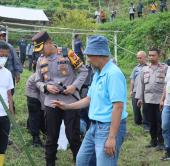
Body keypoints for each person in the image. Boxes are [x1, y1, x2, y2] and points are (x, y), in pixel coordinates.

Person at [53, 35, 128, 166]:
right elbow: (89, 99)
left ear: (99, 54)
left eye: (89, 56)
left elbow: (118, 107)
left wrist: (111, 138)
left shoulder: (113, 74)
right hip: (93, 126)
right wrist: (67, 106)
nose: (87, 59)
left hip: (107, 128)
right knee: (82, 161)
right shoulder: (98, 73)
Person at [33, 31, 88, 166]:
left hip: (69, 101)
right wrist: (46, 87)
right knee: (51, 138)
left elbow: (84, 71)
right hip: (51, 103)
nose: (41, 52)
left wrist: (74, 87)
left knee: (73, 136)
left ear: (49, 43)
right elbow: (37, 81)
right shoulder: (41, 60)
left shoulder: (67, 53)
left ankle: (79, 162)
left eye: (42, 48)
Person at [136, 48, 168, 150]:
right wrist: (140, 98)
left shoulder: (165, 68)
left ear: (158, 56)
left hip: (160, 101)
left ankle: (161, 142)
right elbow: (141, 85)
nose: (151, 57)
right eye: (149, 55)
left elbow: (167, 84)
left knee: (160, 122)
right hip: (148, 100)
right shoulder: (144, 69)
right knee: (151, 122)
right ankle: (153, 141)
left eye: (153, 55)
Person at [130, 51, 148, 127]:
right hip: (135, 91)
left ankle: (146, 123)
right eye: (137, 58)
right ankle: (138, 120)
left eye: (140, 58)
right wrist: (131, 90)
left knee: (146, 108)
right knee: (135, 108)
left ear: (145, 57)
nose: (139, 59)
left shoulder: (149, 67)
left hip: (146, 91)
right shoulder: (136, 68)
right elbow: (132, 80)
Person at [160, 66, 170, 160]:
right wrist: (162, 99)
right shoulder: (169, 68)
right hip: (167, 104)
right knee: (165, 127)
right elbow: (166, 85)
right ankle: (168, 150)